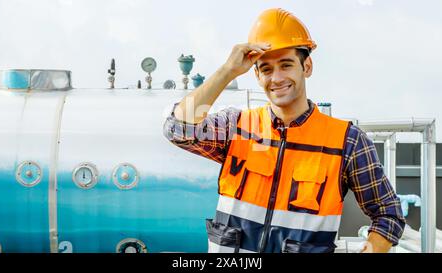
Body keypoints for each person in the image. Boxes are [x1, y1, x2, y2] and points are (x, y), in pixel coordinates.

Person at [163, 8, 405, 253]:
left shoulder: (348, 142)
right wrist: (228, 70)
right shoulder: (236, 126)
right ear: (256, 75)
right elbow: (179, 130)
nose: (276, 78)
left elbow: (389, 215)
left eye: (286, 65)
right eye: (266, 69)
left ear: (307, 66)